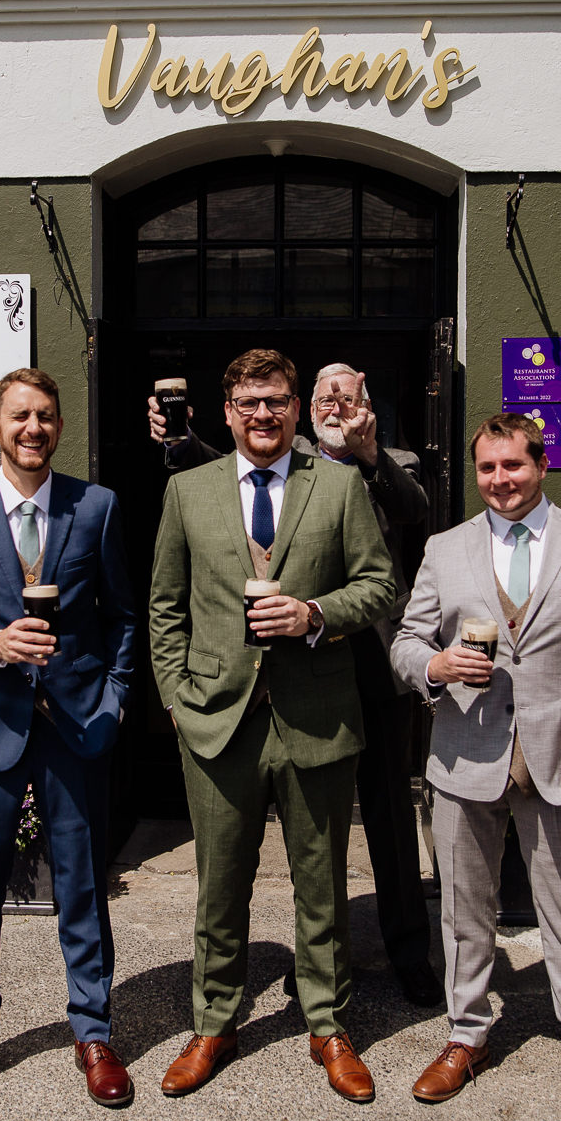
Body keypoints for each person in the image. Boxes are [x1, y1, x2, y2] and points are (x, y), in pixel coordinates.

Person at [147, 362, 442, 1007]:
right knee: (233, 865)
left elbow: (412, 513)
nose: (336, 405)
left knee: (384, 820)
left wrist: (368, 455)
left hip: (372, 661)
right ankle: (226, 1007)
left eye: (349, 395)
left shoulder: (388, 462)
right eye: (326, 395)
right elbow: (230, 478)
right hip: (272, 673)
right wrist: (178, 439)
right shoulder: (292, 452)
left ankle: (407, 952)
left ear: (366, 403)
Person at [390, 413, 561, 1121]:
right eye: (487, 469)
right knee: (463, 913)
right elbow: (406, 643)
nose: (499, 481)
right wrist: (435, 666)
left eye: (512, 466)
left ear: (540, 464)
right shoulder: (446, 549)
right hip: (462, 757)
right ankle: (465, 1035)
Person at [0, 368, 139, 1113]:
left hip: (75, 729)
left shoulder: (94, 507)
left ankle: (94, 1031)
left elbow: (123, 618)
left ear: (58, 426)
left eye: (44, 416)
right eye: (19, 416)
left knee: (83, 889)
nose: (32, 428)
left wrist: (114, 703)